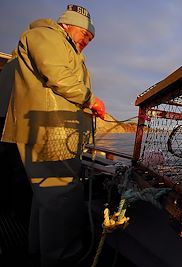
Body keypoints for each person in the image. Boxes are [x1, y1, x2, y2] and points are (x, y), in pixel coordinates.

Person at [0, 4, 105, 266]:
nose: (86, 42)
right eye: (86, 36)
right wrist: (91, 100)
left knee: (46, 197)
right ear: (70, 26)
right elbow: (57, 74)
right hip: (50, 130)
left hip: (53, 129)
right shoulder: (48, 35)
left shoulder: (63, 44)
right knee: (60, 195)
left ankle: (39, 250)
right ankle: (62, 258)